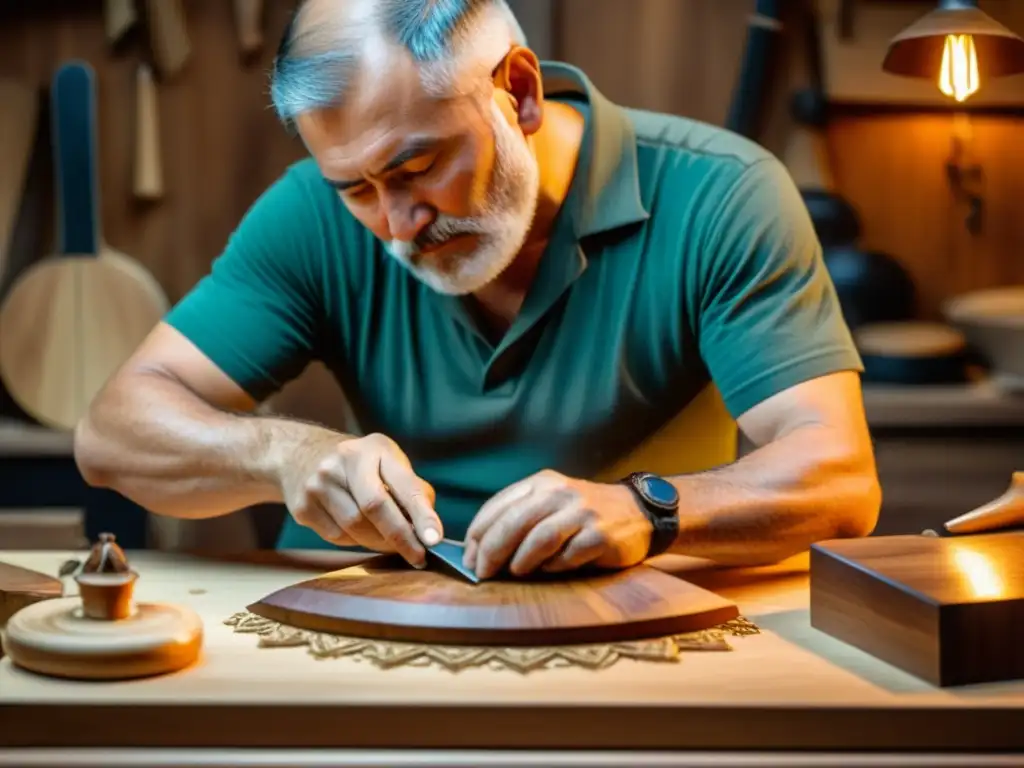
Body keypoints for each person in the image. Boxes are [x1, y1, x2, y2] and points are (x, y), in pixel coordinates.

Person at [74, 0, 881, 580]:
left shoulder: (722, 197)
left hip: (633, 629)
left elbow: (839, 477)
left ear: (519, 92)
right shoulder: (311, 215)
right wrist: (283, 454)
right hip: (355, 627)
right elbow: (112, 435)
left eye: (416, 167)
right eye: (355, 187)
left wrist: (645, 511)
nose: (393, 222)